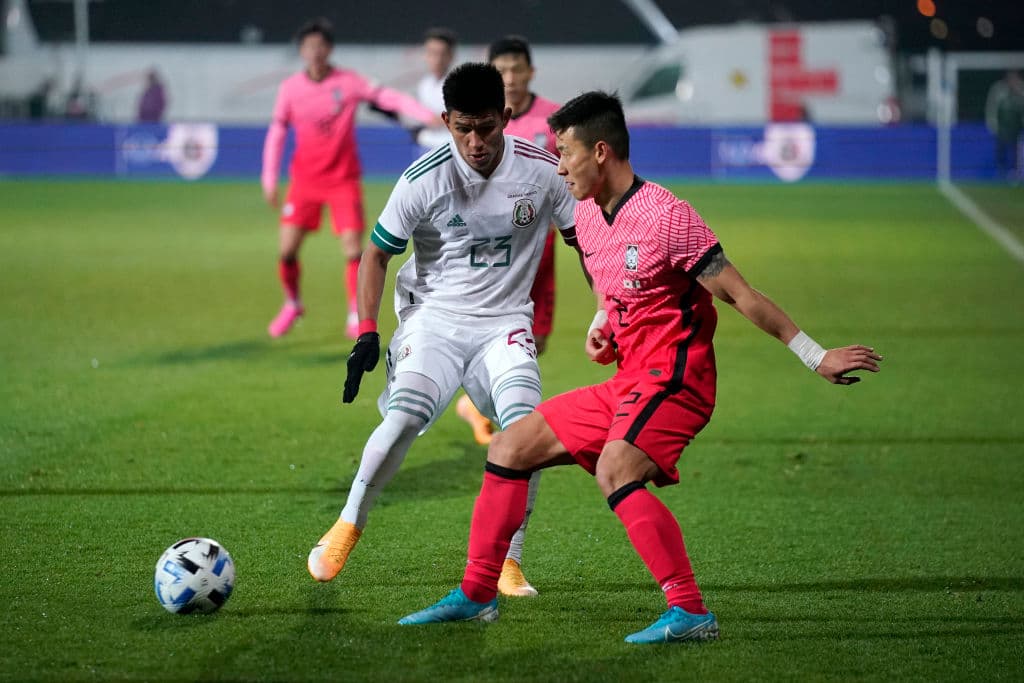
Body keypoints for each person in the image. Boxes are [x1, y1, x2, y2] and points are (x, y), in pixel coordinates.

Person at [397, 91, 883, 643]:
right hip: (629, 381)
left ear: (600, 152)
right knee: (509, 447)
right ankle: (477, 595)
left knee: (616, 469)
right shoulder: (586, 212)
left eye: (565, 152)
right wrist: (602, 323)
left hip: (678, 381)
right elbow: (610, 285)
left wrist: (816, 355)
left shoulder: (668, 217)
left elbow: (740, 295)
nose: (559, 165)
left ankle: (690, 611)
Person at [307, 63, 578, 600]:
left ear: (505, 117)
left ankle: (509, 561)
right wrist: (367, 331)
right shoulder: (422, 178)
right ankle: (347, 525)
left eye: (486, 127)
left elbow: (586, 242)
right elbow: (375, 254)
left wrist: (607, 311)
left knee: (526, 433)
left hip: (505, 323)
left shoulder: (543, 171)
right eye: (463, 128)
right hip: (434, 319)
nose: (475, 142)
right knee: (405, 415)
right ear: (445, 121)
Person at [262, 18, 437, 339]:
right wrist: (269, 176)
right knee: (286, 251)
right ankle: (292, 303)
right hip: (304, 182)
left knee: (353, 249)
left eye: (320, 46)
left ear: (329, 49)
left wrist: (424, 114)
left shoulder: (349, 82)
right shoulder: (290, 88)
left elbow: (388, 97)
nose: (315, 52)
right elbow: (277, 131)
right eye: (309, 46)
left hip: (343, 180)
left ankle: (356, 313)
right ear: (302, 51)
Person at [455, 36, 563, 448]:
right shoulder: (483, 121)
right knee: (494, 331)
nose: (511, 77)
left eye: (518, 69)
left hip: (541, 247)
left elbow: (568, 170)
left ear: (531, 71)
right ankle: (509, 414)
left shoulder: (554, 118)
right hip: (492, 249)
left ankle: (477, 404)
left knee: (538, 338)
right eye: (502, 70)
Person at [413, 27, 456, 151]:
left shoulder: (460, 84)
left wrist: (439, 120)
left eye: (442, 54)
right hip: (426, 144)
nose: (437, 60)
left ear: (451, 56)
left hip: (450, 145)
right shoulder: (424, 85)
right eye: (432, 53)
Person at [984, 70, 1024, 181]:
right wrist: (992, 123)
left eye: (1015, 78)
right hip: (1002, 127)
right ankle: (1001, 171)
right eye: (1011, 78)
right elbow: (992, 107)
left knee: (1016, 150)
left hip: (1016, 127)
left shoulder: (1021, 90)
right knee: (1001, 149)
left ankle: (1015, 172)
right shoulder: (999, 90)